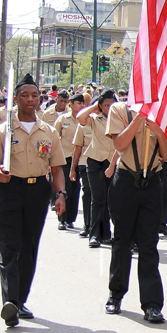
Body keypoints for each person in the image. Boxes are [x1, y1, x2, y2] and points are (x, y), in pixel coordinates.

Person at [0, 73, 67, 327]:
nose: (30, 100)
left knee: (29, 249)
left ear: (40, 100)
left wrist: (60, 194)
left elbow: (56, 169)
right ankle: (9, 302)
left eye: (34, 95)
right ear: (16, 99)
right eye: (24, 95)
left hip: (37, 193)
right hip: (10, 192)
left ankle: (20, 301)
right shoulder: (3, 132)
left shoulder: (49, 132)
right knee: (9, 248)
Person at [103, 97, 167, 324]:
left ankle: (152, 304)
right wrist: (140, 118)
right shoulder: (119, 110)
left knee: (149, 244)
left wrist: (159, 132)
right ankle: (116, 294)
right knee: (122, 241)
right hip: (126, 180)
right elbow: (120, 144)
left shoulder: (161, 110)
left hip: (152, 181)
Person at [76, 90, 118, 248]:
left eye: (111, 105)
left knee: (109, 199)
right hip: (95, 161)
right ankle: (94, 234)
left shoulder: (120, 120)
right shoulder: (95, 119)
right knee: (97, 199)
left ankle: (106, 234)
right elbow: (80, 118)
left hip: (112, 161)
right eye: (105, 105)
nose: (108, 108)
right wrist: (94, 107)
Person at [54, 93, 85, 230]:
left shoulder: (85, 120)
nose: (81, 106)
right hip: (65, 157)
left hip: (80, 158)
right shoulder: (62, 119)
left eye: (83, 103)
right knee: (65, 188)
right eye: (79, 103)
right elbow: (54, 138)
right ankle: (62, 218)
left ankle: (71, 219)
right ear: (71, 104)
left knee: (75, 189)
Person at [70, 122, 94, 238]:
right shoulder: (83, 125)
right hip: (85, 164)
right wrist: (72, 168)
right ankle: (87, 225)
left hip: (106, 164)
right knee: (88, 193)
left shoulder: (112, 121)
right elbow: (78, 147)